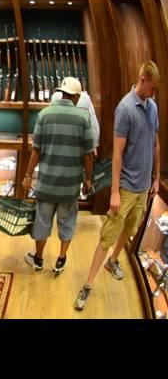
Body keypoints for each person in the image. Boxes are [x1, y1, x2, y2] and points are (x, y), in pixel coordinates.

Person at [75, 61, 161, 311]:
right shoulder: (124, 109)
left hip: (144, 188)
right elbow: (118, 154)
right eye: (152, 88)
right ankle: (88, 284)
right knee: (108, 235)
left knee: (131, 228)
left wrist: (155, 178)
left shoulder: (153, 107)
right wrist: (114, 191)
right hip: (125, 187)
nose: (154, 94)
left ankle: (113, 261)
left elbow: (155, 144)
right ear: (142, 79)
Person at [22, 77, 95, 275]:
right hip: (70, 186)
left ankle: (38, 259)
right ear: (77, 96)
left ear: (61, 92)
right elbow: (89, 154)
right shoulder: (83, 118)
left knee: (42, 222)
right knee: (67, 222)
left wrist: (28, 175)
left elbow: (36, 151)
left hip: (46, 184)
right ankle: (61, 260)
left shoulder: (44, 115)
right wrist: (88, 179)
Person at [51, 87, 100, 156]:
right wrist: (94, 145)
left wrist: (94, 145)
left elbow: (93, 121)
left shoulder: (55, 97)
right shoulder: (85, 98)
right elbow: (93, 122)